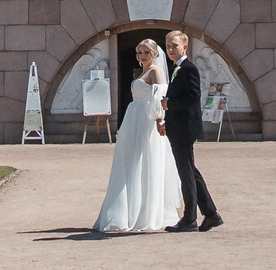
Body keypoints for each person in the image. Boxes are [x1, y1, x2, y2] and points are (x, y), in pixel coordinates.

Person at [93, 38, 181, 233]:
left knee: (145, 162)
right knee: (130, 164)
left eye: (146, 52)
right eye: (139, 52)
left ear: (155, 54)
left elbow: (160, 98)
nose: (142, 56)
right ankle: (129, 209)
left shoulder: (155, 72)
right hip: (133, 120)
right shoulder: (143, 72)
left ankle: (146, 213)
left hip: (146, 121)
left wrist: (159, 120)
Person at [161, 29, 223, 232]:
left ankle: (189, 219)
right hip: (177, 127)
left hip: (184, 129)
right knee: (190, 172)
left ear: (185, 47)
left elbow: (193, 97)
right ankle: (211, 214)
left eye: (174, 45)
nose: (170, 49)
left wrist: (170, 104)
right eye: (168, 46)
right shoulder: (177, 68)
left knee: (186, 174)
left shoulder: (188, 68)